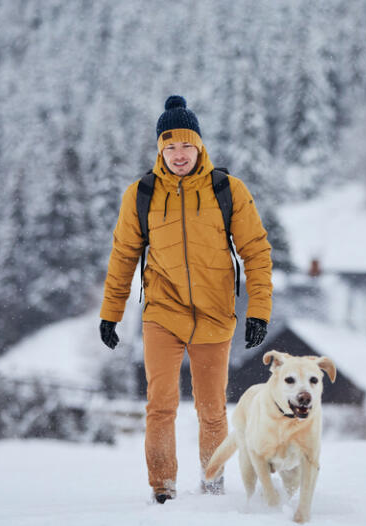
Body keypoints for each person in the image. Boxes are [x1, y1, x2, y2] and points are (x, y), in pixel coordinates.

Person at [98, 95, 272, 503]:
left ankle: (212, 485)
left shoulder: (227, 190)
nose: (179, 155)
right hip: (163, 311)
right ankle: (163, 488)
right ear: (160, 148)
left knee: (212, 409)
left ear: (200, 146)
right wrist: (111, 314)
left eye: (186, 145)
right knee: (161, 405)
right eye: (170, 146)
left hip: (215, 315)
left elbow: (256, 252)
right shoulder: (141, 194)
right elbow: (123, 256)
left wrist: (258, 311)